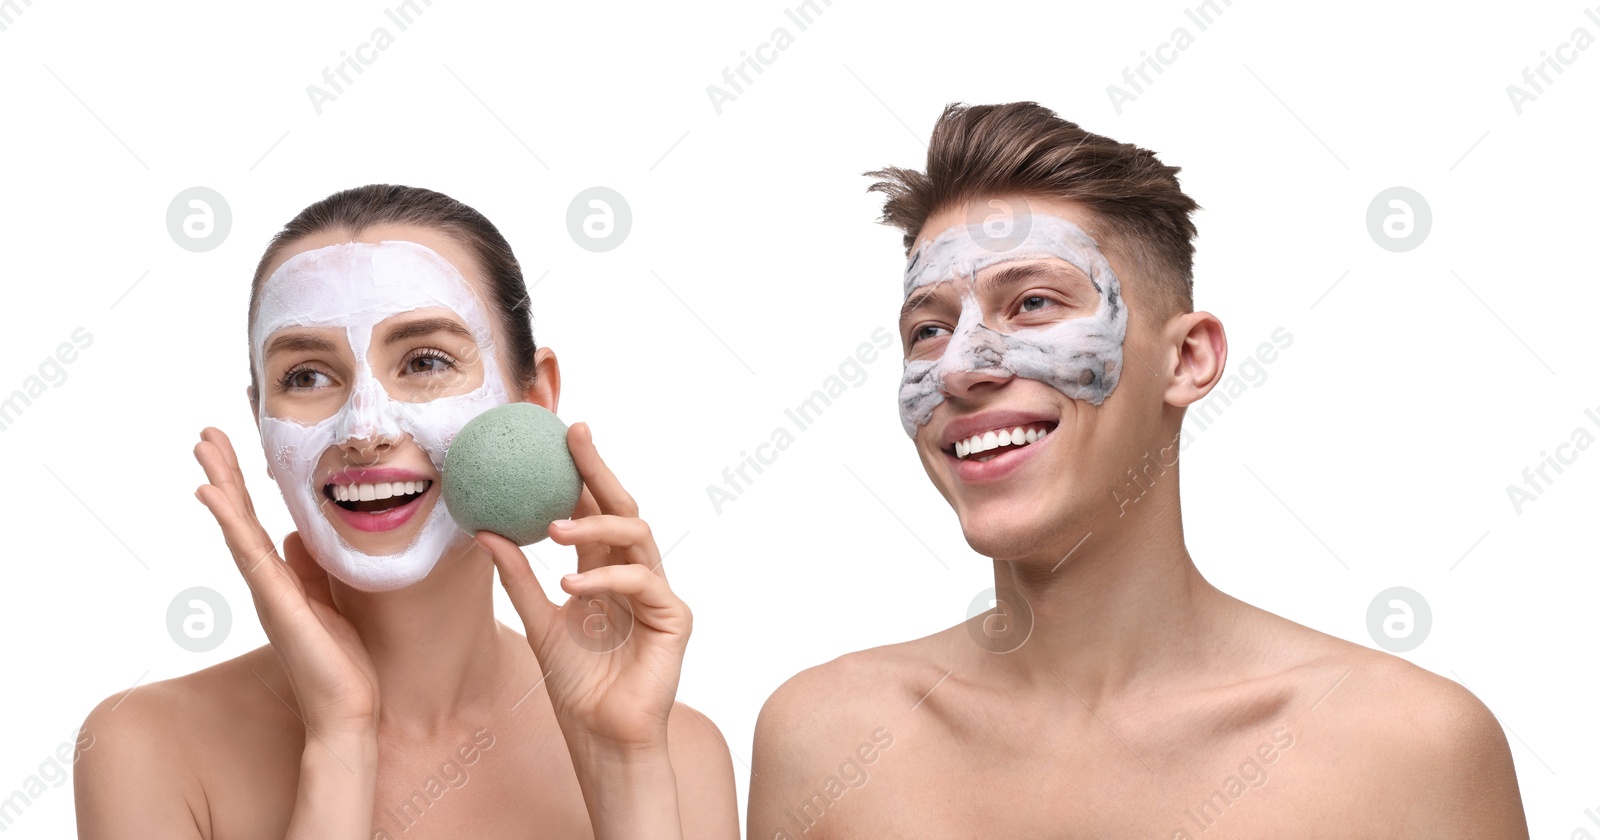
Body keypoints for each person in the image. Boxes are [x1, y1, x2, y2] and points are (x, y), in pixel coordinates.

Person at [747, 103, 1529, 838]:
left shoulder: (1409, 748)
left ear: (1187, 360)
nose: (960, 368)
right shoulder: (823, 738)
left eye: (1032, 304)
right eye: (928, 328)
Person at [74, 184, 740, 839]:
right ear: (261, 424)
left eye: (424, 361)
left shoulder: (677, 752)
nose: (363, 428)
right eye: (305, 375)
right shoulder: (149, 748)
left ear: (533, 400)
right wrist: (340, 741)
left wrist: (621, 764)